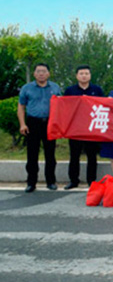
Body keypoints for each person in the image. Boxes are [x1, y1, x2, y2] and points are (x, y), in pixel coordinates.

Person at [17, 63, 61, 192]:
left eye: (44, 71)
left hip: (50, 123)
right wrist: (22, 124)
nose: (41, 74)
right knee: (32, 154)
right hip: (32, 123)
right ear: (34, 74)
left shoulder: (55, 87)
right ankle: (31, 182)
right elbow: (21, 107)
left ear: (48, 73)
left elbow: (61, 106)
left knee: (50, 154)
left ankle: (51, 181)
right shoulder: (27, 88)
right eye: (38, 71)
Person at [63, 65, 104, 190]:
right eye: (81, 73)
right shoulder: (70, 90)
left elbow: (103, 107)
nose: (84, 76)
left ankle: (91, 181)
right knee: (74, 156)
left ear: (90, 75)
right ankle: (73, 180)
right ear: (77, 76)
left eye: (86, 73)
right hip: (75, 128)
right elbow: (64, 107)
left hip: (91, 128)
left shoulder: (97, 90)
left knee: (92, 156)